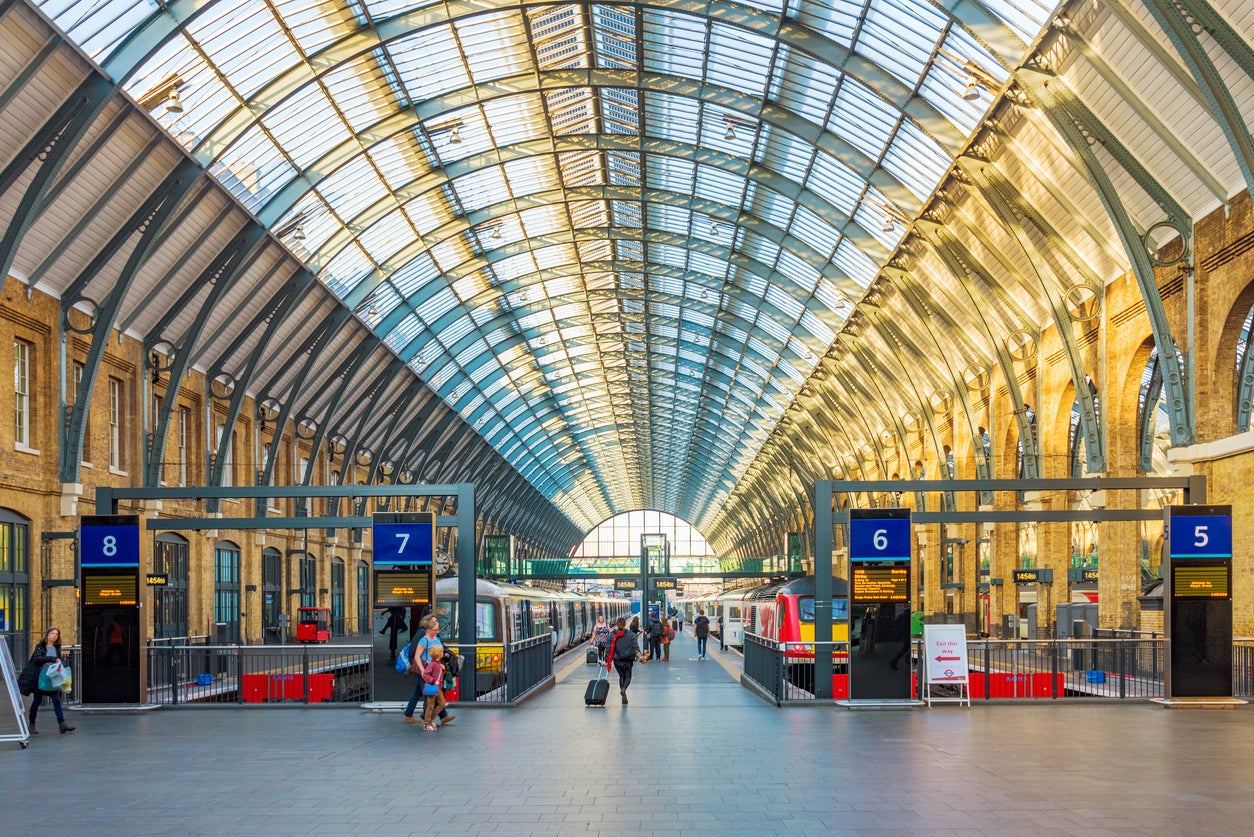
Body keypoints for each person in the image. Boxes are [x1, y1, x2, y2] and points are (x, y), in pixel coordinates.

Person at [402, 615, 455, 727]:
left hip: (436, 670)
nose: (437, 626)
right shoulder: (422, 635)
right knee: (430, 695)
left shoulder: (435, 636)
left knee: (420, 692)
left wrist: (445, 654)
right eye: (434, 623)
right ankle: (429, 719)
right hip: (427, 670)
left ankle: (410, 714)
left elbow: (441, 648)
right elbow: (415, 654)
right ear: (428, 625)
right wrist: (422, 670)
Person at [26, 627, 75, 735]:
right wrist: (52, 659)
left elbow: (57, 661)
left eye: (56, 634)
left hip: (53, 678)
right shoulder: (40, 647)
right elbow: (38, 659)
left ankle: (62, 724)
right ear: (47, 634)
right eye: (52, 633)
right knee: (36, 702)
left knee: (56, 700)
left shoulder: (56, 647)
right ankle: (32, 724)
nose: (54, 636)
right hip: (41, 677)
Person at [607, 617, 638, 704]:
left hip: (617, 659)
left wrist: (607, 659)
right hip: (628, 659)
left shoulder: (612, 635)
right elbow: (635, 646)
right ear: (625, 624)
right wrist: (640, 656)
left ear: (616, 624)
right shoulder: (630, 634)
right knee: (628, 676)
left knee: (621, 676)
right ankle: (624, 689)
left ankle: (623, 695)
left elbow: (608, 648)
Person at [419, 643, 447, 732]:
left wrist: (443, 669)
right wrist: (434, 681)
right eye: (441, 652)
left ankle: (431, 719)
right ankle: (427, 724)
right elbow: (425, 675)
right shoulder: (433, 664)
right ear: (439, 654)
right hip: (433, 687)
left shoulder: (437, 664)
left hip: (437, 688)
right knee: (430, 705)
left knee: (442, 703)